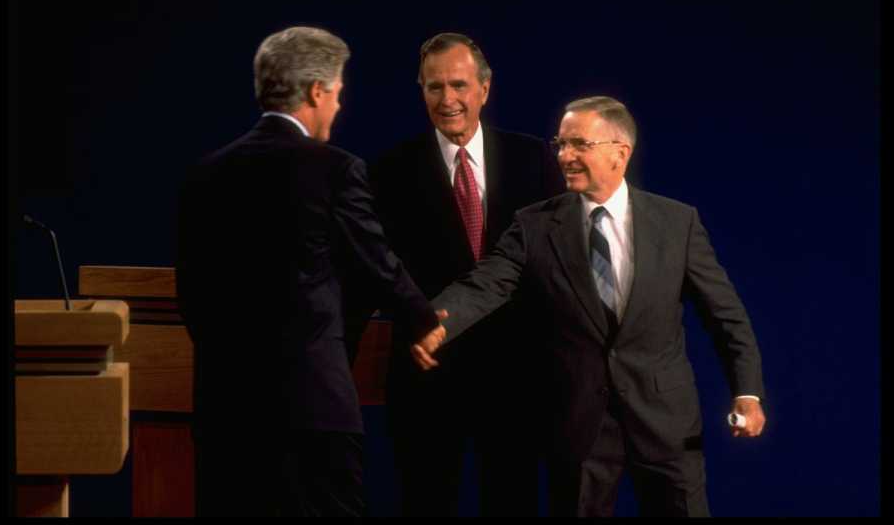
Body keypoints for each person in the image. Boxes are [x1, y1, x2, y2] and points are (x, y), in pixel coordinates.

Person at [412, 96, 766, 517]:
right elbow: (485, 283)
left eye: (579, 144)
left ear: (621, 152)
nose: (565, 156)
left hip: (665, 421)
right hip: (578, 423)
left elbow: (725, 315)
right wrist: (436, 320)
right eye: (560, 144)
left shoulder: (677, 223)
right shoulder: (534, 225)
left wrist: (747, 391)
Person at [175, 26, 438, 517]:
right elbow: (377, 261)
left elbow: (191, 298)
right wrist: (425, 320)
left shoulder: (204, 174)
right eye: (337, 94)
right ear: (317, 91)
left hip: (224, 416)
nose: (338, 107)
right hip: (312, 415)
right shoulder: (334, 169)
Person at [370, 32, 564, 516]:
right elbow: (377, 268)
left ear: (484, 88)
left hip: (516, 376)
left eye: (459, 85)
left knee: (513, 501)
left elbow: (557, 264)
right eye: (434, 87)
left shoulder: (534, 160)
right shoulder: (387, 173)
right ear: (421, 91)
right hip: (429, 375)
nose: (448, 99)